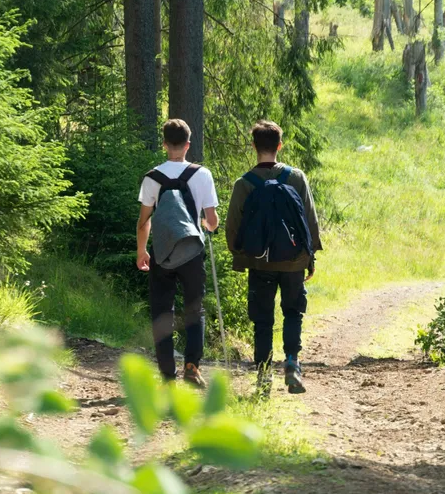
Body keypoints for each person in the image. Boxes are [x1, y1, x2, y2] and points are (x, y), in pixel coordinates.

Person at [225, 120, 322, 394]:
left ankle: (264, 376)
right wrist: (310, 256)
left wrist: (241, 256)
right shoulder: (297, 178)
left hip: (260, 262)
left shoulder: (243, 184)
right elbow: (310, 221)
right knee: (293, 312)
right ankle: (292, 364)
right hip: (293, 262)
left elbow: (233, 227)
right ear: (279, 146)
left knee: (263, 319)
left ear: (254, 146)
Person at [137, 118, 219, 386]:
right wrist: (206, 225)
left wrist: (141, 251)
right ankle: (192, 366)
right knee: (195, 309)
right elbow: (211, 220)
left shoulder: (152, 177)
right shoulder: (202, 175)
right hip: (192, 251)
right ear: (187, 144)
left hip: (161, 253)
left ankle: (166, 375)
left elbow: (144, 221)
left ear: (164, 144)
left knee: (162, 312)